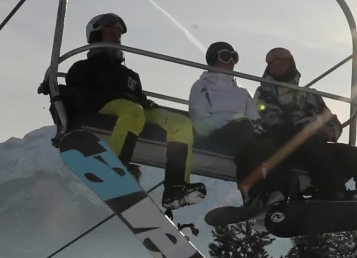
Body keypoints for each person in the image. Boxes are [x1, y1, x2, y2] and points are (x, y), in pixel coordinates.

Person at [65, 13, 206, 210]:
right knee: (133, 111)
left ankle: (176, 186)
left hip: (135, 108)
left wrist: (148, 105)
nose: (117, 39)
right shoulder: (83, 67)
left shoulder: (130, 74)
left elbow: (140, 99)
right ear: (96, 37)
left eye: (119, 35)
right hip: (102, 106)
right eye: (111, 34)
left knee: (182, 123)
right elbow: (76, 93)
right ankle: (114, 168)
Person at [253, 47, 357, 201]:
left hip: (318, 147)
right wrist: (307, 126)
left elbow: (333, 124)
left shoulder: (310, 95)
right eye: (273, 65)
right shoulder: (264, 93)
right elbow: (274, 121)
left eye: (282, 63)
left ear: (291, 65)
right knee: (311, 143)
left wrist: (327, 130)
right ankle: (334, 193)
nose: (277, 67)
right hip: (285, 149)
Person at [188, 41, 290, 212]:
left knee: (272, 144)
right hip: (213, 134)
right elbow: (199, 120)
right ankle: (253, 194)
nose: (230, 62)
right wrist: (232, 120)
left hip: (242, 134)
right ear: (213, 59)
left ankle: (276, 193)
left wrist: (258, 128)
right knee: (244, 133)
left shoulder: (241, 91)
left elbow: (254, 117)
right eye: (225, 57)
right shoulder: (202, 86)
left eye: (234, 58)